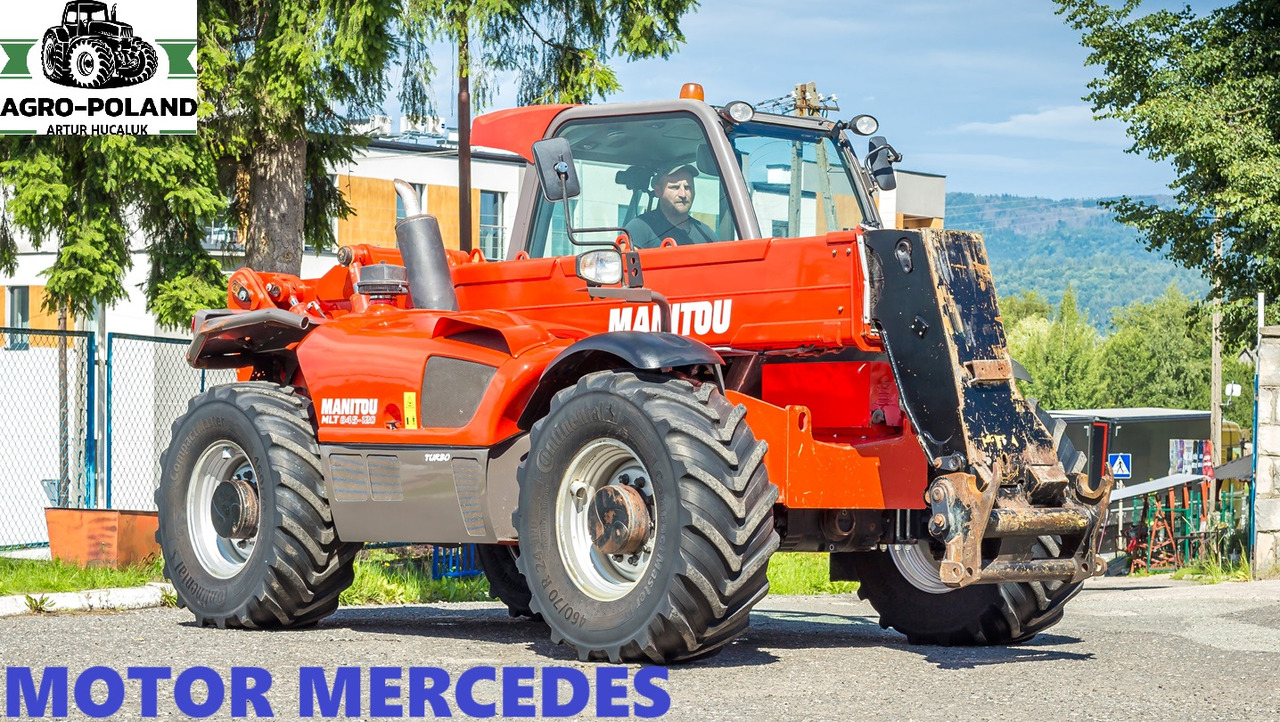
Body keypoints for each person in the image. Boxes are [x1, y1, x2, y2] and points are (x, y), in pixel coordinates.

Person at [624, 164, 717, 249]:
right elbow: (621, 264)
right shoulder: (639, 228)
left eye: (687, 187)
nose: (683, 194)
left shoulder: (706, 234)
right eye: (675, 187)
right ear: (658, 191)